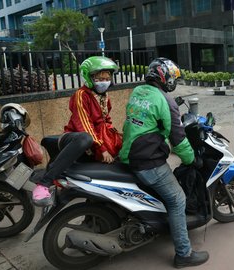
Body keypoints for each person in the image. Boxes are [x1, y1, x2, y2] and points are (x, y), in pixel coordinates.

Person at [119, 58, 209, 268]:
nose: (174, 81)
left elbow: (146, 119)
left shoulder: (138, 91)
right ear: (164, 77)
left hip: (128, 153)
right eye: (173, 77)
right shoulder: (165, 102)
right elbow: (177, 139)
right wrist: (192, 160)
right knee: (177, 199)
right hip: (148, 162)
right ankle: (183, 254)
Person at [32, 56, 120, 206]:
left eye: (107, 78)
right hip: (75, 138)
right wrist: (102, 148)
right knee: (85, 138)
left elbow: (106, 122)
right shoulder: (81, 95)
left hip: (96, 139)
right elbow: (84, 124)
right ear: (89, 77)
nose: (104, 81)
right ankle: (44, 183)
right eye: (99, 79)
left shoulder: (104, 97)